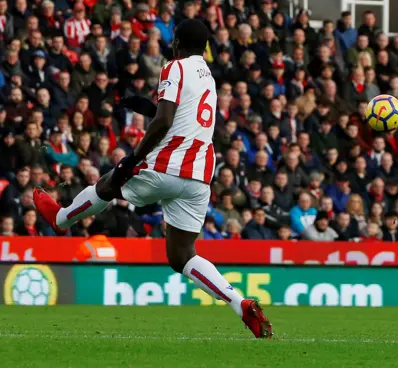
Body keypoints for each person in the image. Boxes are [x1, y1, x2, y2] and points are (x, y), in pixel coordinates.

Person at [32, 19, 272, 338]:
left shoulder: (175, 67)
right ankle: (240, 304)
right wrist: (149, 106)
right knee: (182, 255)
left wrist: (132, 159)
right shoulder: (209, 76)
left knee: (111, 181)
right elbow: (184, 116)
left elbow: (165, 120)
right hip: (200, 174)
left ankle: (60, 219)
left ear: (178, 43)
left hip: (169, 163)